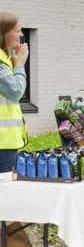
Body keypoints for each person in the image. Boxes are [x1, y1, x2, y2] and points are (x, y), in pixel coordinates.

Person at [0, 12, 28, 172]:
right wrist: (20, 65)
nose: (22, 34)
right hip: (3, 144)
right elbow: (15, 91)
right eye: (17, 31)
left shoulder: (4, 59)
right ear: (4, 33)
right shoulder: (1, 63)